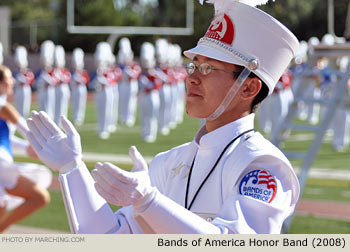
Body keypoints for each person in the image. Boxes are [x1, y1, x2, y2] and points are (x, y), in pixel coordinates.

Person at [26, 0, 300, 234]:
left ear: (249, 87)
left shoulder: (263, 167)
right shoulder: (169, 162)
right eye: (193, 65)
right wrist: (72, 169)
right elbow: (110, 238)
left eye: (208, 68)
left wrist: (149, 202)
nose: (191, 77)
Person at [0, 65, 51, 233]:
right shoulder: (3, 107)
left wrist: (27, 147)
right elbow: (25, 128)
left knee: (3, 209)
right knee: (40, 197)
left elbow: (7, 137)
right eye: (8, 78)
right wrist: (43, 146)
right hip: (2, 165)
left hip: (3, 165)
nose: (12, 81)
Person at [13, 46, 35, 119]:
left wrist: (22, 76)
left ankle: (24, 119)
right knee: (18, 105)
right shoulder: (15, 72)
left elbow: (30, 81)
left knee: (25, 106)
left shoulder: (27, 71)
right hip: (18, 89)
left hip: (25, 89)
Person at [70, 48, 90, 126]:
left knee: (81, 103)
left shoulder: (84, 72)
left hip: (82, 88)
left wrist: (79, 78)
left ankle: (80, 117)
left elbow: (86, 81)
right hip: (75, 88)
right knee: (74, 103)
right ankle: (75, 116)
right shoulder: (73, 73)